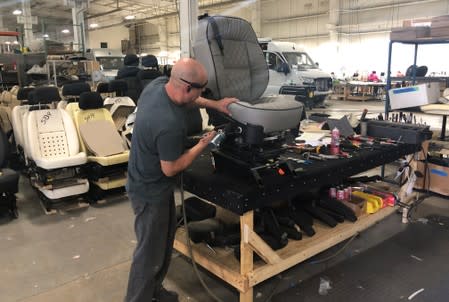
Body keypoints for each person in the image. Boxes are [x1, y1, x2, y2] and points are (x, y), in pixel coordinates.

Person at [125, 58, 237, 302]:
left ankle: (154, 292)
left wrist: (216, 104)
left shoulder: (157, 86)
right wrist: (202, 144)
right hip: (149, 190)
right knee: (149, 254)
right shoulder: (168, 123)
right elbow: (171, 168)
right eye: (202, 89)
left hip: (150, 181)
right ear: (188, 87)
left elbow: (192, 98)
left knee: (163, 245)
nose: (202, 95)